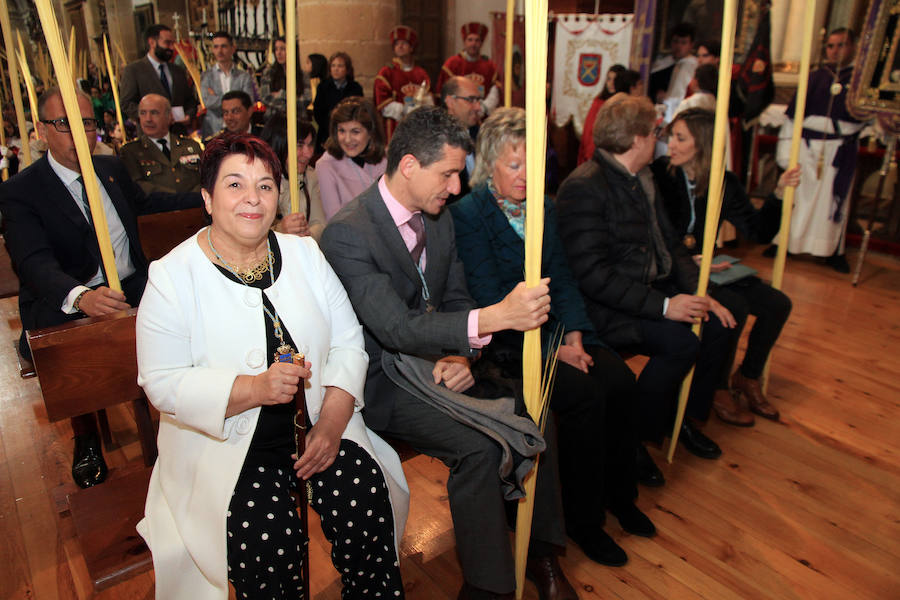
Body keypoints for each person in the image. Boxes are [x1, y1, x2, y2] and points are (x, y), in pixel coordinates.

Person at [320, 106, 578, 600]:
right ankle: (490, 589)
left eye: (459, 173)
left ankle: (542, 555)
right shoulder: (349, 231)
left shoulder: (436, 219)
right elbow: (394, 326)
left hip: (439, 363)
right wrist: (496, 318)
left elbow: (457, 297)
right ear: (410, 165)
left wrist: (462, 356)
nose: (457, 187)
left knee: (536, 411)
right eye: (449, 173)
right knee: (478, 448)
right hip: (384, 379)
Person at [135, 133, 408, 598]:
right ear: (207, 197)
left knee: (364, 499)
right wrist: (256, 389)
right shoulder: (172, 277)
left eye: (265, 186)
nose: (252, 199)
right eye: (235, 185)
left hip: (319, 425)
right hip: (226, 446)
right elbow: (161, 383)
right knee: (268, 541)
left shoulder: (304, 253)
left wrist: (333, 425)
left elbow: (348, 342)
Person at [451, 107, 655, 567]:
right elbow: (487, 296)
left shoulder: (545, 205)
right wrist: (551, 350)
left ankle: (618, 496)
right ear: (489, 163)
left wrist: (577, 335)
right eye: (514, 164)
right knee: (583, 396)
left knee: (620, 383)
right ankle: (584, 522)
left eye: (533, 163)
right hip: (504, 342)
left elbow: (561, 277)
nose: (525, 176)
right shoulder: (469, 214)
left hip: (557, 331)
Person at [0, 88, 201, 489]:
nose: (78, 133)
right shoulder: (22, 190)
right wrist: (81, 297)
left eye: (87, 123)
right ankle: (85, 432)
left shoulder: (110, 168)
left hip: (130, 282)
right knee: (75, 352)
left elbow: (149, 207)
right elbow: (34, 262)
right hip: (70, 294)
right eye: (64, 124)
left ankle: (187, 418)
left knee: (193, 307)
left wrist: (211, 195)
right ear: (42, 130)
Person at [556, 94, 736, 471]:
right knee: (681, 344)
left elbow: (670, 244)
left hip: (646, 289)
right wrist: (668, 306)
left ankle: (678, 418)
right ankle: (633, 436)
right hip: (606, 307)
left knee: (717, 323)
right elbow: (593, 275)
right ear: (637, 139)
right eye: (655, 132)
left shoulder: (643, 176)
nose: (660, 140)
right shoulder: (585, 186)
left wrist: (699, 293)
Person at [653, 108, 797, 425]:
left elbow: (757, 231)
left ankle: (747, 376)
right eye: (671, 137)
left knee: (777, 304)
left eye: (680, 138)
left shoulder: (723, 182)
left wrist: (777, 194)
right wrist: (686, 259)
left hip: (710, 266)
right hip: (675, 271)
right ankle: (717, 387)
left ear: (701, 144)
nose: (671, 145)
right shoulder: (659, 175)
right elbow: (650, 235)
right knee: (735, 309)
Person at [769, 28, 864, 273]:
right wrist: (786, 151)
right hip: (807, 150)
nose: (834, 51)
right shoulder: (814, 77)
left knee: (833, 202)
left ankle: (832, 250)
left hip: (838, 151)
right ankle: (786, 243)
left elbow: (865, 121)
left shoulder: (860, 80)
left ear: (852, 47)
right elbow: (792, 118)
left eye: (840, 45)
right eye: (830, 46)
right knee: (798, 198)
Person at [316, 97, 387, 221]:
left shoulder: (385, 160)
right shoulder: (326, 165)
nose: (347, 139)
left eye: (355, 131)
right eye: (342, 131)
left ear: (371, 132)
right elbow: (334, 221)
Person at [259, 115, 326, 240]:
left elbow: (320, 224)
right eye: (299, 145)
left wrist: (306, 234)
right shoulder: (257, 180)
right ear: (279, 144)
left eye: (310, 145)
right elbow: (246, 233)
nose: (308, 154)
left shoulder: (310, 177)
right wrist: (279, 231)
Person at [120, 93, 202, 194]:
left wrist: (193, 198)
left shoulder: (190, 146)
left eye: (154, 113)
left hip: (195, 206)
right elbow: (137, 186)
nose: (148, 119)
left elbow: (206, 179)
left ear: (169, 116)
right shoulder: (131, 151)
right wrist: (177, 199)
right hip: (157, 208)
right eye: (143, 113)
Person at [119, 24, 197, 129]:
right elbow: (127, 104)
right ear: (152, 42)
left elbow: (190, 100)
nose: (171, 47)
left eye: (172, 43)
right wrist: (152, 117)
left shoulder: (177, 70)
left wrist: (189, 115)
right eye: (167, 43)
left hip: (178, 133)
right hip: (150, 133)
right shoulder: (134, 70)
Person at [374, 26, 433, 141]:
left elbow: (429, 101)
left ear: (411, 48)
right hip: (394, 127)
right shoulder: (386, 72)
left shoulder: (421, 74)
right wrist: (405, 110)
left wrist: (417, 110)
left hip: (417, 127)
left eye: (404, 43)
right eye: (397, 44)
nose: (400, 46)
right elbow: (382, 103)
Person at [199, 31, 256, 138]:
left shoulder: (244, 76)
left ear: (232, 48)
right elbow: (207, 102)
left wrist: (216, 97)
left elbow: (248, 101)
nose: (219, 51)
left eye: (223, 46)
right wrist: (235, 103)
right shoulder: (206, 76)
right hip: (214, 129)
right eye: (216, 47)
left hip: (240, 129)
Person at [436, 22, 501, 115]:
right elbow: (445, 93)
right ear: (464, 42)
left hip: (482, 116)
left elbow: (494, 92)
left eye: (477, 40)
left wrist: (485, 107)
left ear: (481, 43)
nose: (473, 44)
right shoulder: (452, 64)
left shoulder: (489, 65)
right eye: (470, 40)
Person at [441, 75, 483, 202]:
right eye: (470, 100)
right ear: (450, 102)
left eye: (478, 100)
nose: (478, 107)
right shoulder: (439, 141)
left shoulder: (481, 134)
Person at [312, 52, 363, 151]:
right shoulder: (323, 87)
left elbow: (359, 111)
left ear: (347, 69)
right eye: (333, 66)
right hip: (327, 134)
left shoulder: (355, 88)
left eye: (340, 66)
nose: (336, 69)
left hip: (350, 134)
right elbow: (318, 112)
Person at [578, 64, 628, 166]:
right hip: (598, 153)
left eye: (615, 80)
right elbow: (589, 132)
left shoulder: (626, 102)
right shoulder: (599, 102)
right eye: (609, 79)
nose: (611, 83)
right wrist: (590, 154)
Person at [650, 23, 698, 123]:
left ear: (691, 45)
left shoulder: (694, 66)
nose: (678, 46)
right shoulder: (662, 63)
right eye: (675, 42)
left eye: (683, 43)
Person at [259, 37, 310, 119]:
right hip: (274, 120)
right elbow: (265, 97)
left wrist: (281, 94)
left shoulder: (303, 75)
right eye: (276, 49)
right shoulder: (268, 73)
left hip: (298, 119)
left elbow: (306, 99)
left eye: (283, 49)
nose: (279, 53)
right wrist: (291, 101)